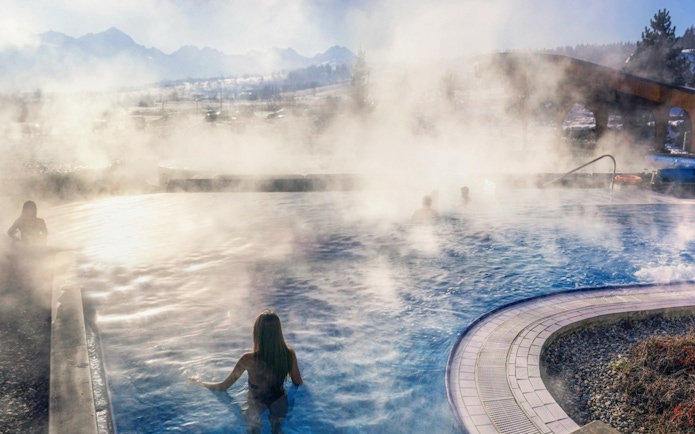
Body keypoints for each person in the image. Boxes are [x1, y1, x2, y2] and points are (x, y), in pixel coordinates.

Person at [191, 310, 302, 434]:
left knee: (253, 428)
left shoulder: (248, 359)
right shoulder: (288, 354)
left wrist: (200, 383)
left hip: (256, 401)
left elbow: (223, 387)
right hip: (279, 400)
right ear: (278, 333)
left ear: (257, 333)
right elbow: (297, 382)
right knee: (277, 429)